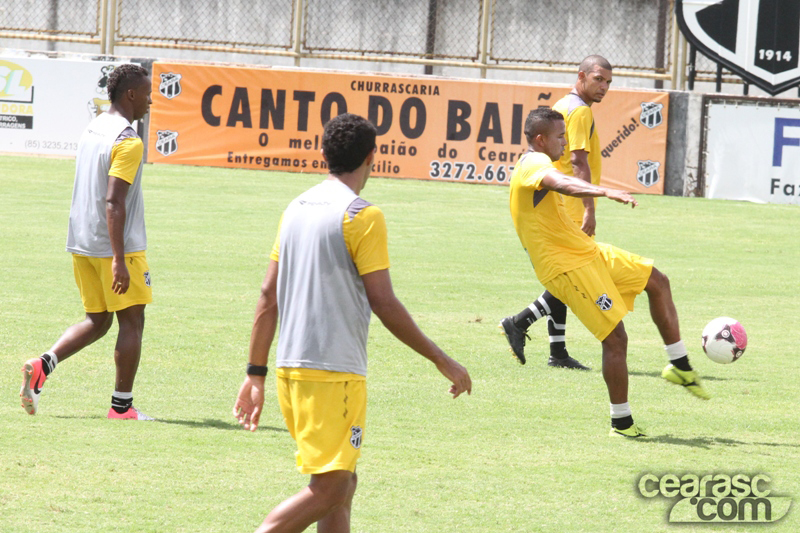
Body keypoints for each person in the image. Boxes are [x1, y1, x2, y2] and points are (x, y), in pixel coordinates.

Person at [233, 113, 472, 532]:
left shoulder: (296, 207)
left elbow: (268, 295)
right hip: (333, 375)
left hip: (293, 370)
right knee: (330, 489)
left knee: (342, 482)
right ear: (371, 157)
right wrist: (441, 358)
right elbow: (383, 301)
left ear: (323, 154)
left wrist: (255, 373)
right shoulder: (361, 215)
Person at [507, 108, 709, 438]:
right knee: (616, 338)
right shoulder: (533, 164)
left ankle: (679, 365)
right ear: (540, 139)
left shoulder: (541, 160)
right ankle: (622, 422)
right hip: (568, 268)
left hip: (587, 254)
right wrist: (604, 191)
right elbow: (561, 183)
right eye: (560, 136)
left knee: (656, 281)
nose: (565, 142)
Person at [19, 63, 154, 420]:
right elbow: (114, 200)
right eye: (146, 93)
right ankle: (121, 407)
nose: (150, 100)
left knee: (98, 320)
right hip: (114, 245)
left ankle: (43, 364)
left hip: (81, 240)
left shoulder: (93, 126)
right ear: (130, 94)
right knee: (132, 321)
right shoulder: (128, 139)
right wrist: (119, 259)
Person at [500, 55, 613, 370]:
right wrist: (590, 208)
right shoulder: (578, 111)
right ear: (581, 76)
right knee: (569, 275)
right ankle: (519, 323)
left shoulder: (566, 105)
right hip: (570, 206)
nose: (603, 87)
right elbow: (578, 161)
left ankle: (558, 351)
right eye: (598, 79)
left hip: (559, 203)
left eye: (608, 82)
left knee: (563, 276)